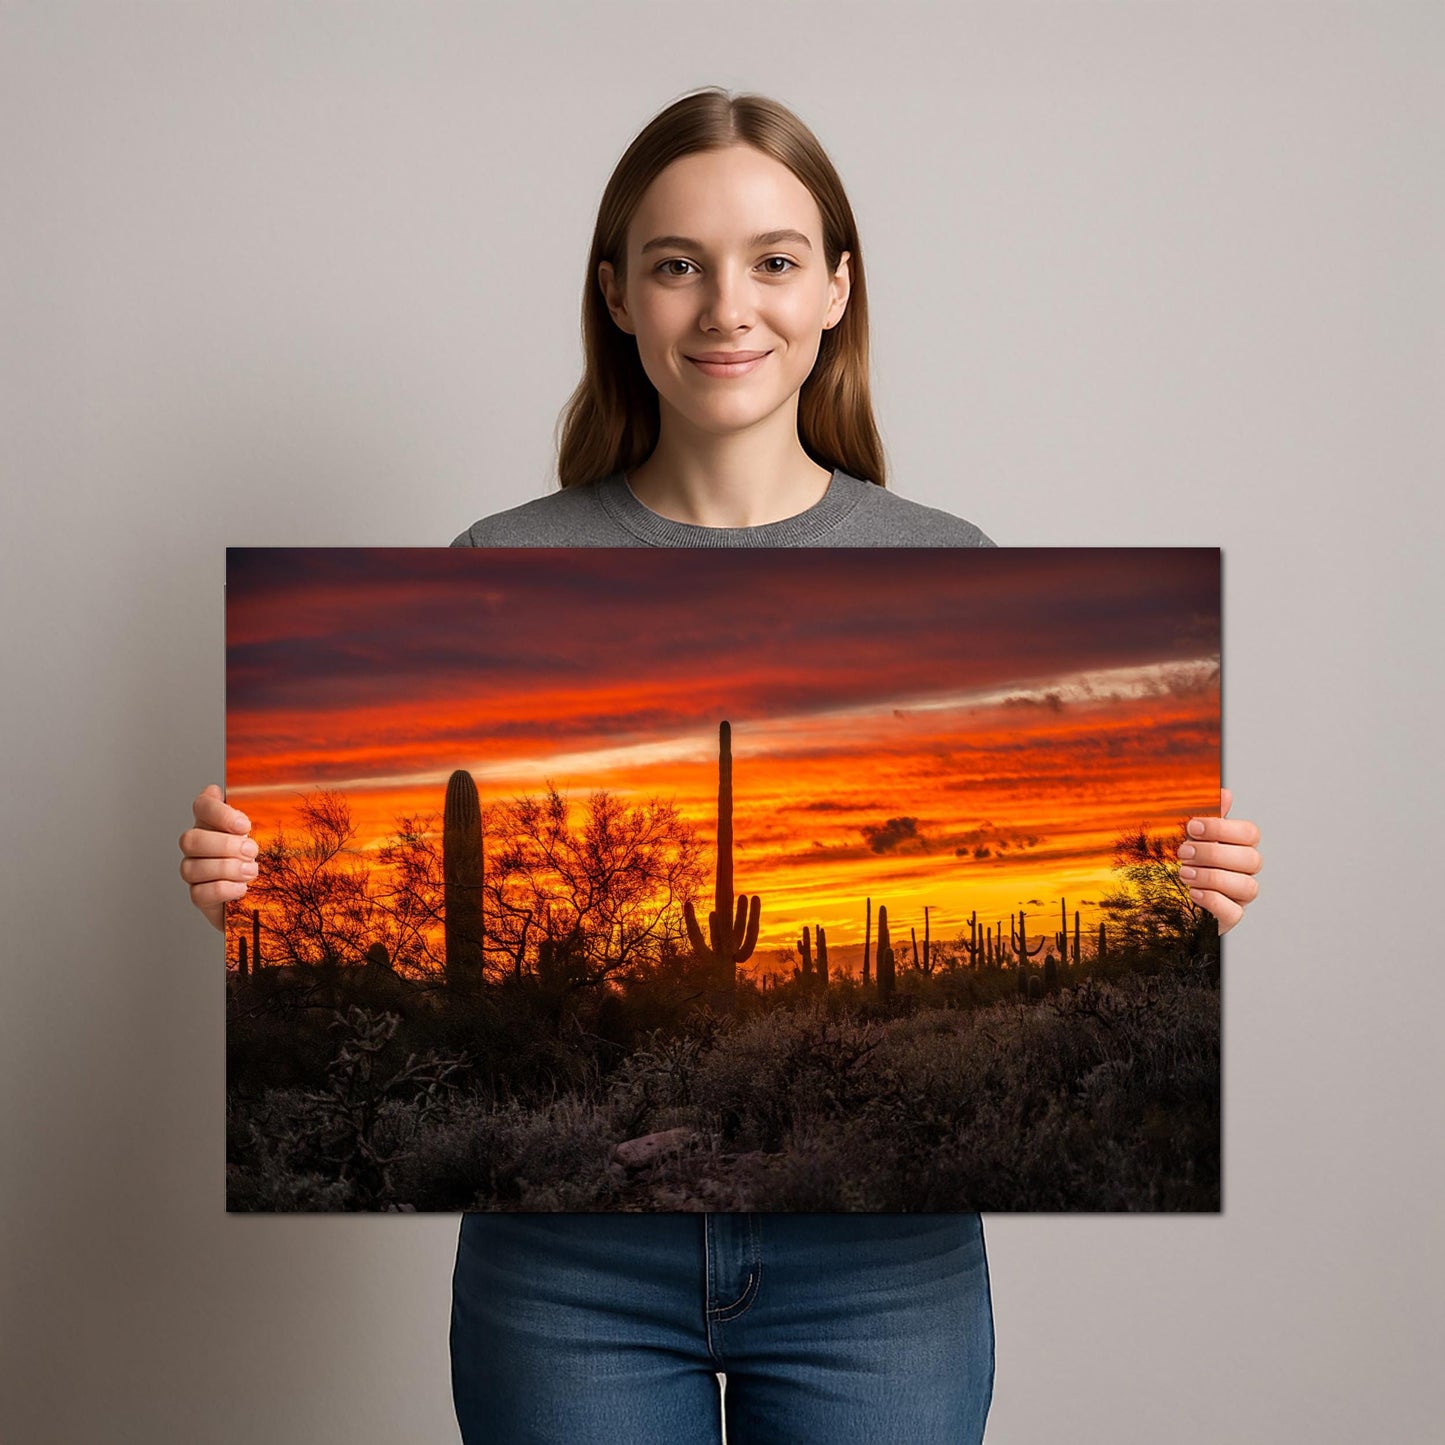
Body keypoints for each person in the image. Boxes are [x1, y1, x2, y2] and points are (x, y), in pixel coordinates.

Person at [179, 88, 1262, 1445]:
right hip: (566, 1268)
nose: (724, 305)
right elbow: (363, 875)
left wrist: (1183, 888)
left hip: (884, 1267)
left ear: (834, 291)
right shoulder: (499, 562)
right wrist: (254, 886)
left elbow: (1099, 852)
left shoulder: (950, 564)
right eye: (676, 262)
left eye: (772, 258)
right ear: (618, 296)